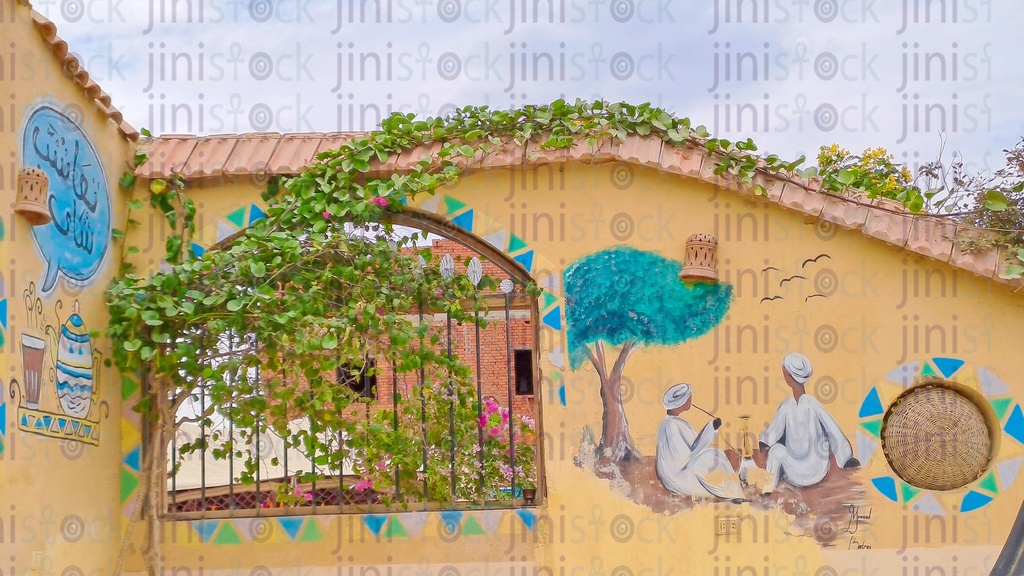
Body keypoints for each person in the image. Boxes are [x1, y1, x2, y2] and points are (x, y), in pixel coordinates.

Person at [758, 353, 860, 494]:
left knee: (776, 451)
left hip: (815, 467)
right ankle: (767, 490)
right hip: (798, 469)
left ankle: (767, 489)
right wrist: (765, 441)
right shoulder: (788, 405)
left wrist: (846, 459)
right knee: (776, 450)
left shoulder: (811, 404)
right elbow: (774, 430)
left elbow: (832, 430)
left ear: (789, 377)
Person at [656, 383, 745, 501]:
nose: (690, 399)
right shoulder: (670, 425)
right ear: (681, 403)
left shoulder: (674, 422)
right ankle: (732, 493)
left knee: (714, 454)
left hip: (680, 472)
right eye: (688, 397)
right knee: (710, 457)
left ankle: (733, 491)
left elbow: (694, 446)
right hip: (677, 477)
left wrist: (712, 427)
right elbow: (684, 458)